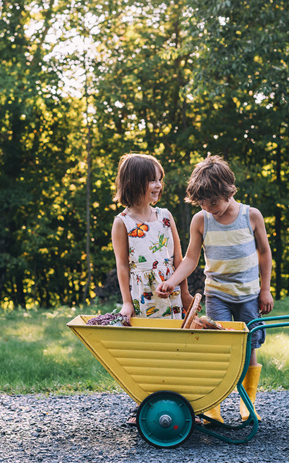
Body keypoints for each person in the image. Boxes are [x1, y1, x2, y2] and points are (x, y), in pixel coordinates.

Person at [157, 155, 273, 424]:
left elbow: (265, 254)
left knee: (249, 347)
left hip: (248, 295)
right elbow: (190, 259)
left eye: (214, 203)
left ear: (228, 190)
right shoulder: (201, 220)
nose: (210, 209)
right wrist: (173, 281)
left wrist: (265, 290)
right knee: (216, 349)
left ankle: (248, 404)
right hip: (217, 293)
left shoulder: (251, 215)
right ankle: (213, 406)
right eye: (203, 204)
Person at [110, 153, 194, 425]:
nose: (158, 185)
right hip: (143, 297)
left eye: (160, 180)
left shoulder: (166, 216)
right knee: (149, 351)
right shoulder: (122, 222)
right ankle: (144, 404)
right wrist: (126, 303)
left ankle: (186, 405)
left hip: (170, 294)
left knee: (176, 349)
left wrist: (185, 293)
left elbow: (178, 258)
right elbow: (122, 265)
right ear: (134, 182)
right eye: (152, 180)